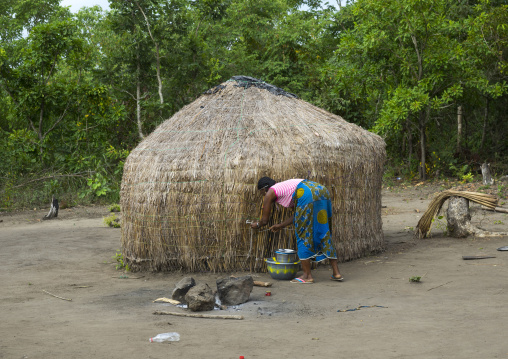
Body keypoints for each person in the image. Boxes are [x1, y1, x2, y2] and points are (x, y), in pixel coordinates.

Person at [250, 177, 343, 283]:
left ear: (264, 189)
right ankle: (336, 273)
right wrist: (281, 225)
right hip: (321, 190)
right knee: (324, 231)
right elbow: (297, 214)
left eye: (261, 192)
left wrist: (257, 224)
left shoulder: (270, 192)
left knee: (302, 233)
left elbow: (264, 221)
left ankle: (307, 276)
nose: (262, 195)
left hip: (306, 192)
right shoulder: (287, 187)